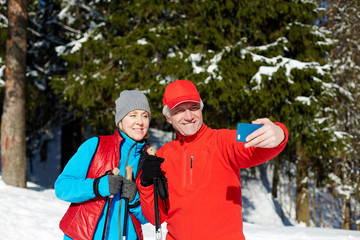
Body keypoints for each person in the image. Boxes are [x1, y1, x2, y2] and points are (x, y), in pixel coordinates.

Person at [137, 80, 289, 240]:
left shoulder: (223, 141)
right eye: (179, 110)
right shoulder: (161, 157)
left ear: (201, 109)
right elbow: (155, 218)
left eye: (194, 107)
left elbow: (255, 148)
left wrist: (279, 133)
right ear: (168, 117)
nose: (189, 116)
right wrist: (146, 184)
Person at [55, 90, 151, 240]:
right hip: (83, 235)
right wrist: (97, 186)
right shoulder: (96, 146)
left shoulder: (148, 161)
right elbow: (62, 187)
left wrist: (134, 200)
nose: (140, 121)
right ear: (121, 120)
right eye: (133, 115)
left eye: (144, 115)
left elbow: (148, 217)